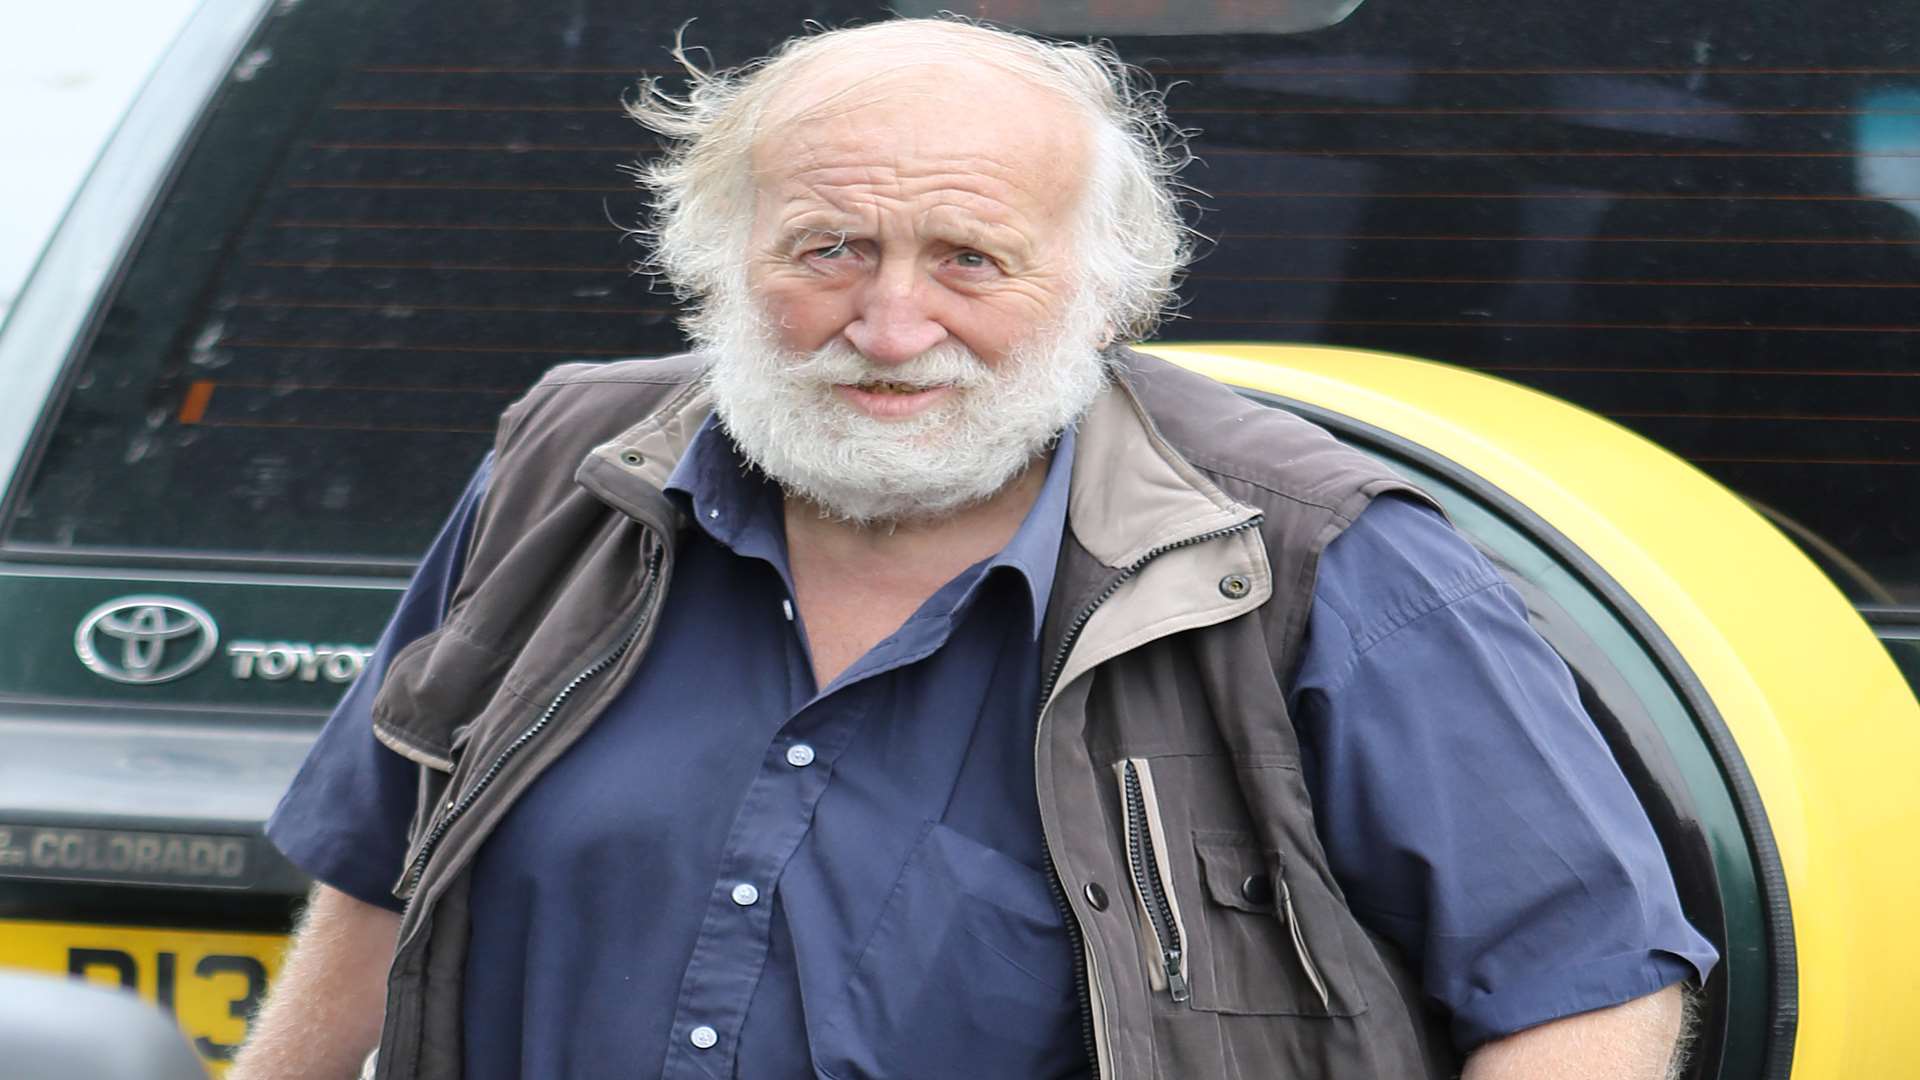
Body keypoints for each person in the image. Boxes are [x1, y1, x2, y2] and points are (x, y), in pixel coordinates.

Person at [233, 17, 1716, 1080]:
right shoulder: (566, 471)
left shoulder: (1323, 566)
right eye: (827, 249)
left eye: (970, 259)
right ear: (716, 261)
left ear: (1106, 288)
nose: (890, 327)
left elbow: (1581, 993)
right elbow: (385, 868)